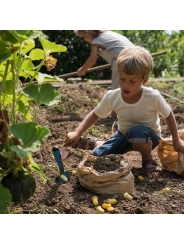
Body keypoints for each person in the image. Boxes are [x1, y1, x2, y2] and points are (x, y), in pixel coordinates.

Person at [63, 46, 184, 179]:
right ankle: (99, 143)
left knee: (137, 132)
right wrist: (77, 132)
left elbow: (168, 114)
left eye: (132, 81)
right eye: (122, 78)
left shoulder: (152, 96)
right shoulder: (112, 96)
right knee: (97, 157)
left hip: (149, 138)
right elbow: (95, 114)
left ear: (144, 80)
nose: (126, 85)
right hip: (123, 135)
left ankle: (147, 159)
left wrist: (176, 140)